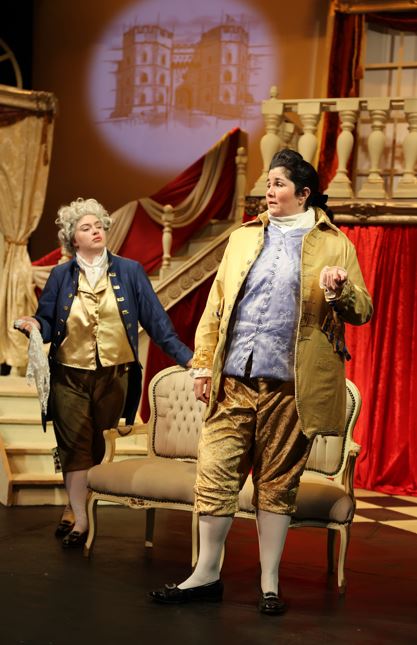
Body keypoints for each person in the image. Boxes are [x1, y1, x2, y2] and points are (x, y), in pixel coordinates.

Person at [150, 149, 373, 614]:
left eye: (278, 184)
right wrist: (203, 364)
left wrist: (340, 292)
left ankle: (269, 582)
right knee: (215, 474)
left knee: (277, 481)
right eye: (268, 183)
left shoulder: (336, 244)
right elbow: (217, 305)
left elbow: (362, 311)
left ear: (303, 193)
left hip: (291, 386)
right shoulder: (244, 237)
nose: (269, 191)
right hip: (234, 378)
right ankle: (205, 574)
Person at [16, 198, 193, 548]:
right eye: (86, 228)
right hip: (68, 375)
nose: (96, 231)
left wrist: (188, 359)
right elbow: (48, 320)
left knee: (96, 444)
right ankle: (81, 519)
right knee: (74, 446)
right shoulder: (60, 276)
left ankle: (75, 503)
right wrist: (34, 325)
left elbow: (157, 322)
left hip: (114, 375)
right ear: (73, 239)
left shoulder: (130, 271)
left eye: (98, 225)